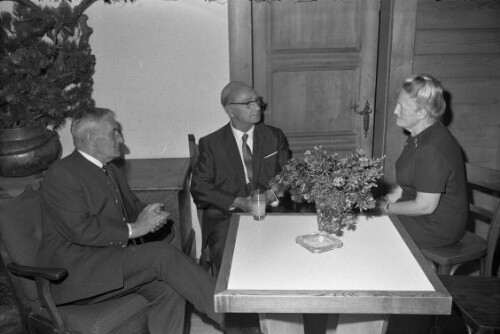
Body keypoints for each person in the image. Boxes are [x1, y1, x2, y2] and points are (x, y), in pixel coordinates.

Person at [36, 107, 258, 334]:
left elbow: (134, 207)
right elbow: (80, 230)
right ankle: (241, 325)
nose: (121, 139)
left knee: (170, 288)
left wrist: (154, 215)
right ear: (91, 137)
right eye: (114, 132)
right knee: (161, 255)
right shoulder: (62, 174)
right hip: (76, 276)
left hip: (108, 263)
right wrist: (135, 229)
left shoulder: (109, 169)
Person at [191, 81, 291, 273]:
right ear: (230, 110)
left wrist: (273, 194)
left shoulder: (274, 136)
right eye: (248, 103)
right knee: (229, 256)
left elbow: (288, 174)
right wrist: (237, 202)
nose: (256, 107)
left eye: (257, 101)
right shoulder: (211, 143)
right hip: (227, 217)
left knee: (287, 250)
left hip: (272, 211)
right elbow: (199, 188)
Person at [378, 74, 467, 249]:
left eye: (401, 107)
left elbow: (425, 206)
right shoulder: (417, 136)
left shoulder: (431, 147)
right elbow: (407, 181)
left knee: (374, 232)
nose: (396, 110)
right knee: (366, 219)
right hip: (419, 215)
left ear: (422, 113)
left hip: (435, 226)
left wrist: (386, 208)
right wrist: (387, 198)